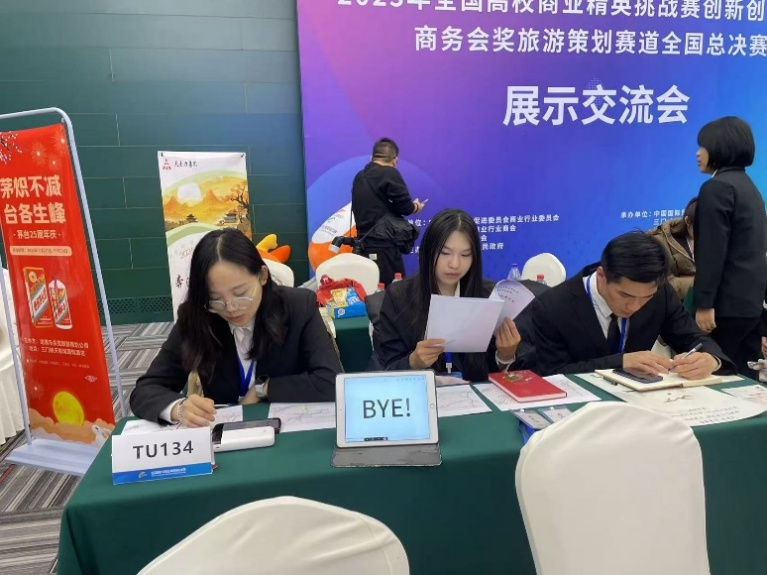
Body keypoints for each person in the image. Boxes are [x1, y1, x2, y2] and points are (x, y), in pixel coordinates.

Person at [130, 229, 342, 426]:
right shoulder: (197, 317)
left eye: (240, 293)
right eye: (215, 299)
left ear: (262, 275)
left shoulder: (298, 306)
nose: (230, 308)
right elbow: (145, 390)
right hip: (224, 434)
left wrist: (263, 389)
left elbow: (332, 382)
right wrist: (179, 408)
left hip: (287, 430)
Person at [532, 231, 733, 378]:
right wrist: (620, 362)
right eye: (624, 295)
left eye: (646, 297)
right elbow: (553, 374)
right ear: (602, 275)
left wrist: (711, 360)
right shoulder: (552, 306)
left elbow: (692, 337)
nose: (634, 306)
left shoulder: (661, 293)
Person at [373, 208, 533, 382]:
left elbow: (493, 371)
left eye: (465, 255)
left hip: (475, 394)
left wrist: (505, 356)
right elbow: (385, 369)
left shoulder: (489, 296)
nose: (455, 264)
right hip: (422, 394)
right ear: (428, 251)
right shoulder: (399, 297)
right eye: (445, 253)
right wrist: (413, 362)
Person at [692, 116, 767, 376]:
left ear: (720, 148)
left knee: (715, 372)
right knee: (744, 375)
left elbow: (711, 251)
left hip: (724, 307)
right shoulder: (750, 188)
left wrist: (704, 304)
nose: (698, 153)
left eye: (703, 146)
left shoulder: (717, 187)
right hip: (750, 304)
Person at [351, 137, 425, 285]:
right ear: (395, 160)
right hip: (384, 248)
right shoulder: (390, 173)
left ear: (371, 158)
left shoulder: (360, 177)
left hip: (363, 245)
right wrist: (416, 207)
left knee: (369, 289)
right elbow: (406, 208)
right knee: (392, 291)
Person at [647, 197, 697, 302]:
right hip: (676, 306)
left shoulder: (720, 239)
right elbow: (665, 285)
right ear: (687, 221)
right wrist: (707, 285)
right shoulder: (659, 241)